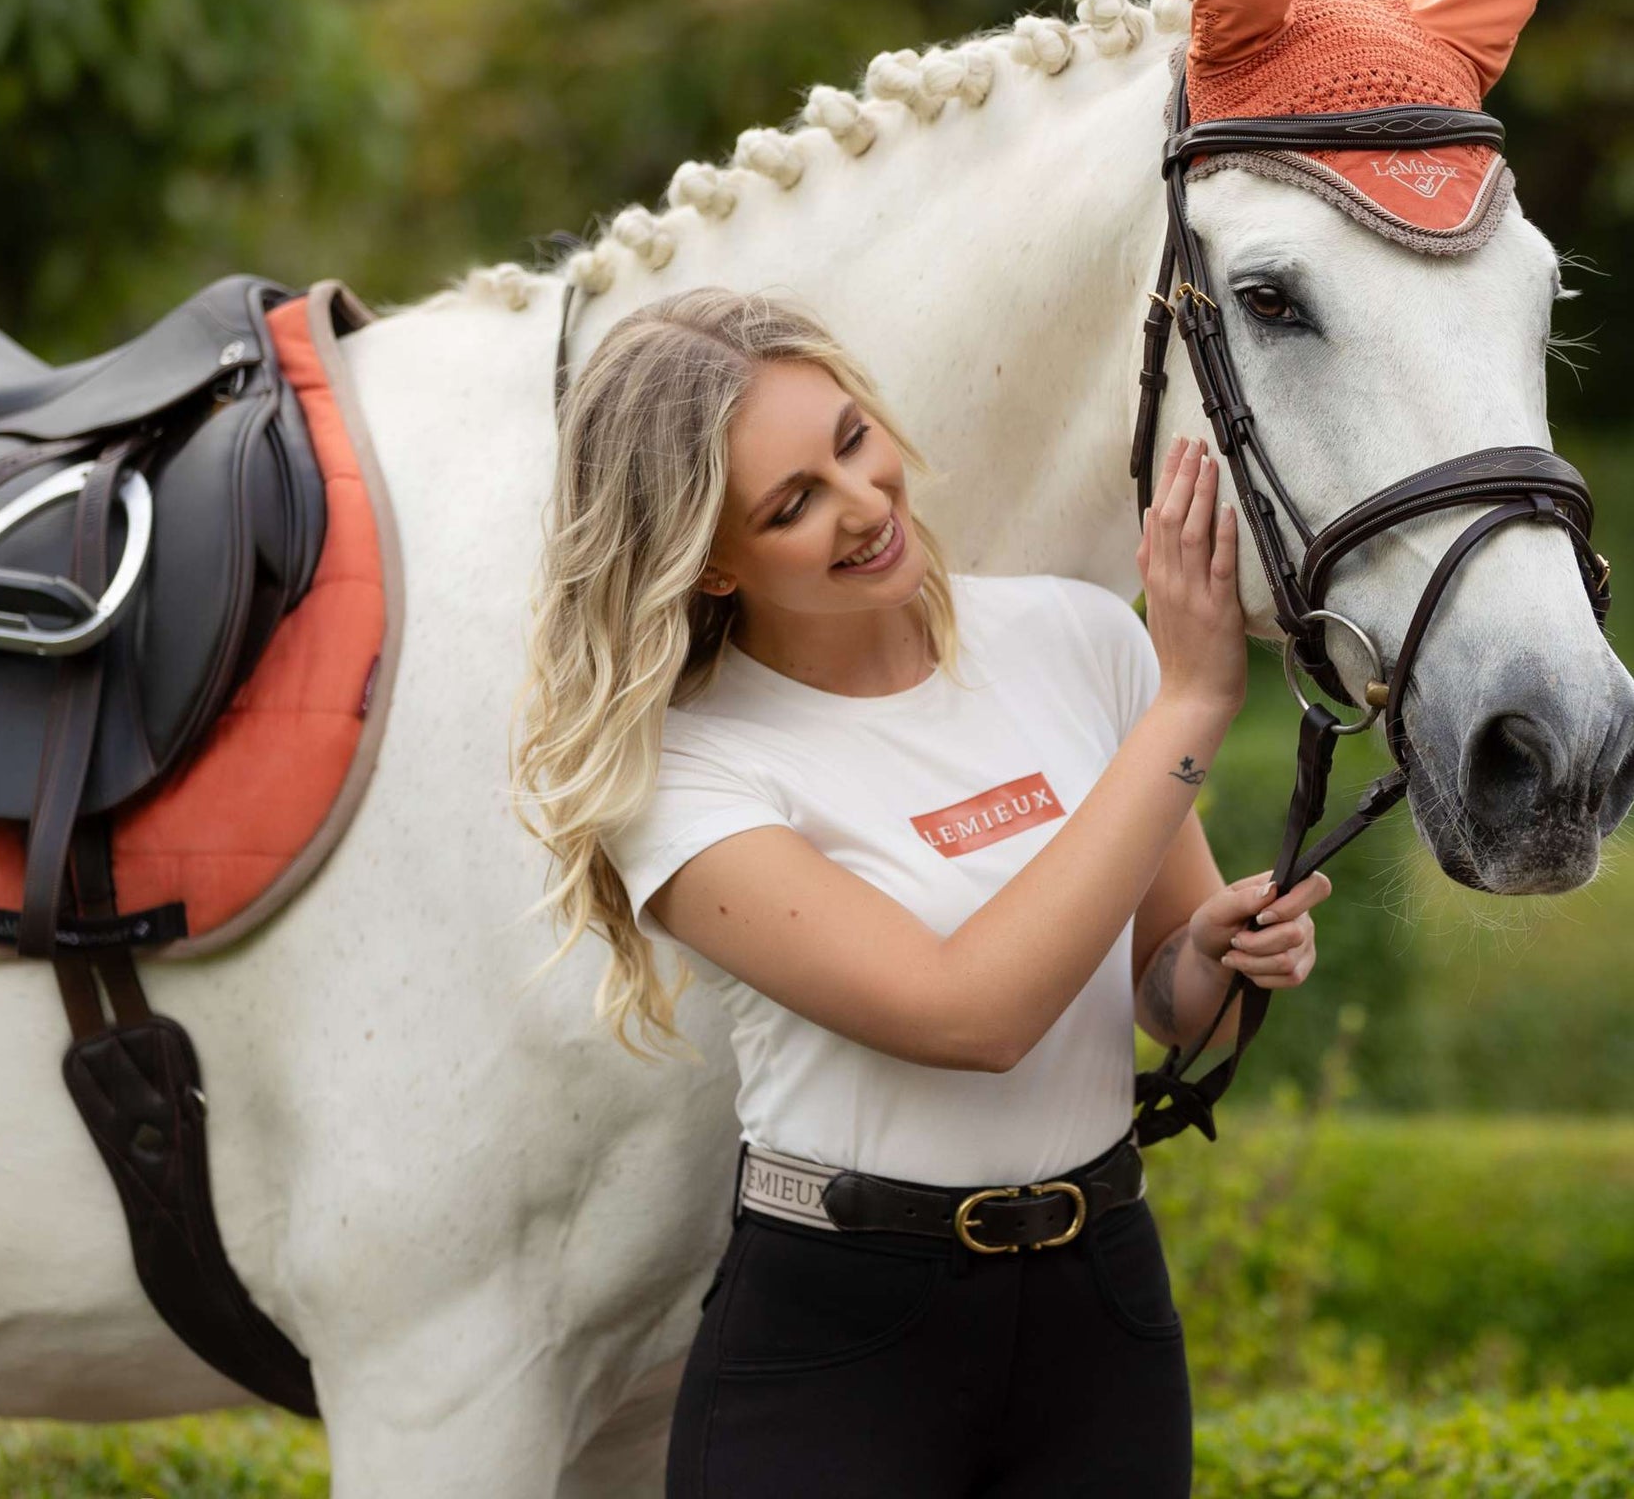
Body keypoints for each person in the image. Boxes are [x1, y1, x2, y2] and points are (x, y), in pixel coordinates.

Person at [514, 287, 1330, 1497]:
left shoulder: (1083, 641)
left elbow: (1168, 995)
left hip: (1102, 1303)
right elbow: (971, 1014)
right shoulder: (687, 769)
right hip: (840, 1341)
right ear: (714, 559)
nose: (864, 506)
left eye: (852, 441)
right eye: (793, 504)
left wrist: (1223, 957)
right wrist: (1193, 705)